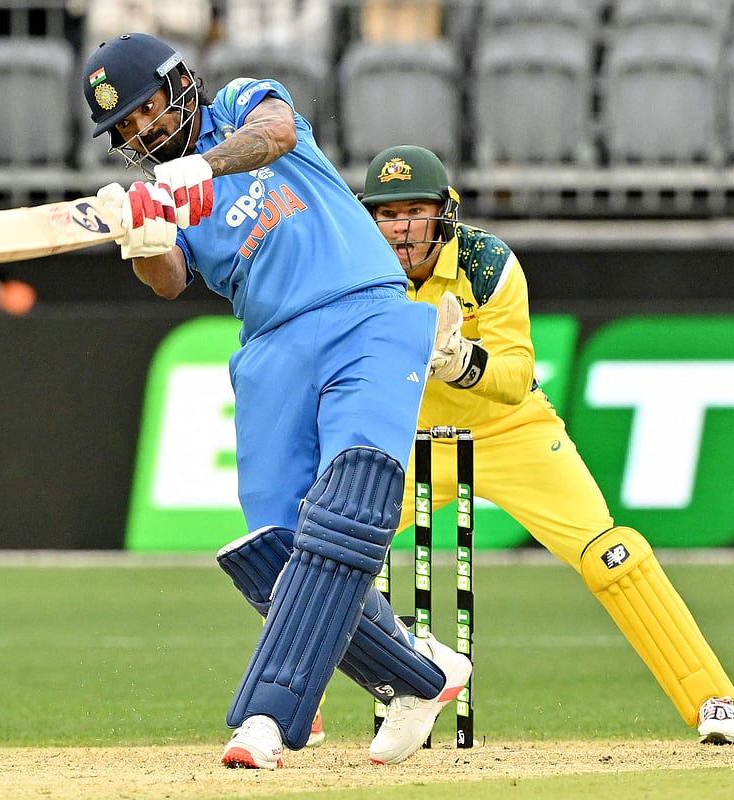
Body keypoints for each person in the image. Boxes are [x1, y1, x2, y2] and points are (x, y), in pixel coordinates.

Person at [80, 33, 469, 769]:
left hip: (364, 313)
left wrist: (197, 168)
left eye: (146, 111)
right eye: (125, 130)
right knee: (278, 559)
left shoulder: (240, 104)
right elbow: (170, 278)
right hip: (270, 352)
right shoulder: (168, 190)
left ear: (182, 84)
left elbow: (276, 135)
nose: (142, 132)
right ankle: (420, 677)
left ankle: (266, 717)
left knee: (350, 504)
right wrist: (143, 235)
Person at [349, 143, 734, 746]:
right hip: (409, 440)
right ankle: (294, 710)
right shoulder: (354, 268)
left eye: (414, 211)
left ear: (444, 213)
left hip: (511, 435)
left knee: (610, 554)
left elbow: (514, 378)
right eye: (386, 213)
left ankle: (710, 698)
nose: (400, 228)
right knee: (323, 551)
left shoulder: (488, 265)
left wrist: (460, 361)